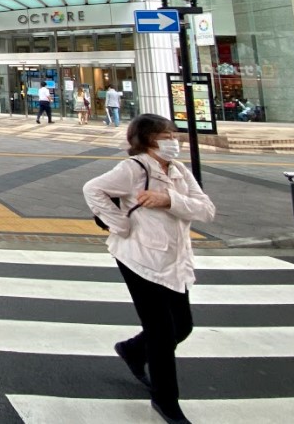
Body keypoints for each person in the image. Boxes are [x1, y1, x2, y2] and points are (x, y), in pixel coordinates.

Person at [82, 114, 215, 424]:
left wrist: (167, 198)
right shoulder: (133, 168)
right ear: (148, 139)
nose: (174, 140)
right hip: (137, 258)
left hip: (173, 259)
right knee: (161, 331)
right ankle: (166, 400)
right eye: (167, 135)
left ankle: (131, 350)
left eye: (174, 134)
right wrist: (120, 225)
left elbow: (206, 209)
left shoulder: (179, 171)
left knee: (182, 326)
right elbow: (93, 189)